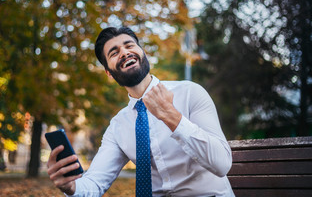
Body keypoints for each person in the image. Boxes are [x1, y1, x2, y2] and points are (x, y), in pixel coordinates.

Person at [47, 26, 235, 197]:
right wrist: (71, 187)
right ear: (109, 73)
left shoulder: (190, 93)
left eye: (129, 45)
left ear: (142, 53)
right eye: (114, 53)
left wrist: (171, 116)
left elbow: (222, 164)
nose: (124, 52)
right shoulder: (119, 126)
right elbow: (95, 183)